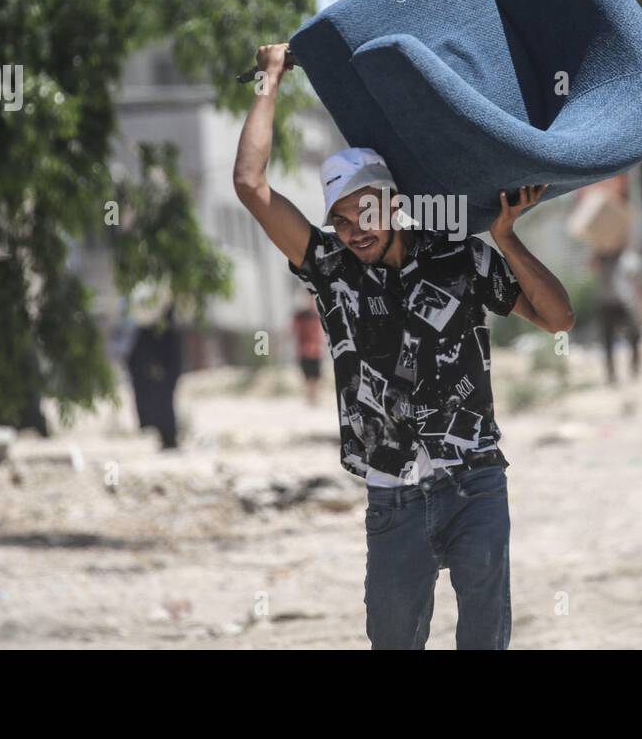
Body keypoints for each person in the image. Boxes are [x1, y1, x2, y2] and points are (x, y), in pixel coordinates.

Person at [233, 43, 574, 650]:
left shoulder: (459, 260)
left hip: (474, 483)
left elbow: (558, 318)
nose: (353, 231)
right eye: (339, 221)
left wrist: (506, 237)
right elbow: (250, 185)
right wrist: (270, 81)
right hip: (392, 499)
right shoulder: (331, 270)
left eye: (363, 211)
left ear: (392, 201)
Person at [125, 304, 183, 450]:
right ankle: (167, 438)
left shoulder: (165, 333)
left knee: (164, 402)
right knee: (161, 402)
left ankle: (169, 439)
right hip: (158, 370)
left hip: (165, 369)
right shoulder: (148, 331)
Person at [591, 245, 642, 384]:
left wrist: (640, 304)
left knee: (635, 335)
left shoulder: (628, 258)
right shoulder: (600, 259)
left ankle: (635, 368)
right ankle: (611, 374)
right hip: (606, 304)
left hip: (624, 304)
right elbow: (590, 267)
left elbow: (637, 283)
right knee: (607, 340)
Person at [291, 295, 325, 406]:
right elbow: (292, 331)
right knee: (308, 377)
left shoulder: (317, 315)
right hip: (305, 350)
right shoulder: (300, 316)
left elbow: (320, 333)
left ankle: (313, 398)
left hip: (315, 350)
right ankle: (311, 398)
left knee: (315, 377)